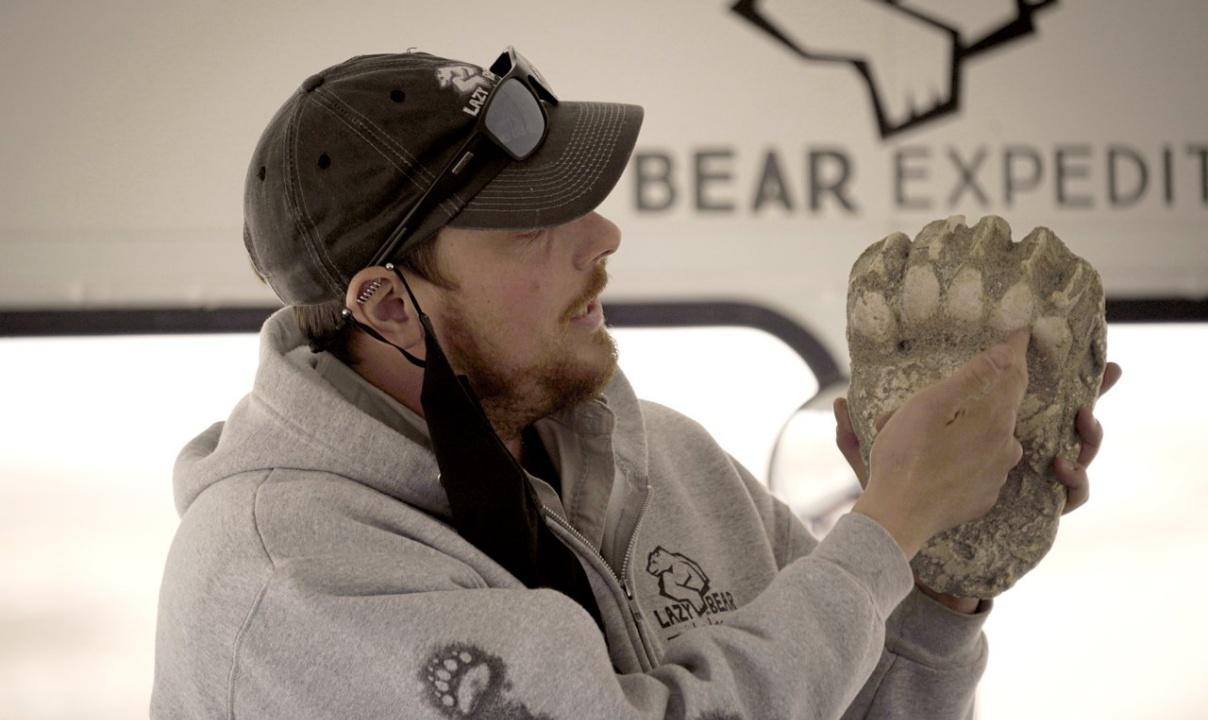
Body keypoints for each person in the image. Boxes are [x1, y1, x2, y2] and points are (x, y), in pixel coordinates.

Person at [151, 47, 1121, 719]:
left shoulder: (677, 463)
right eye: (531, 224)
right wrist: (885, 528)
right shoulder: (284, 583)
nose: (602, 236)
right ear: (390, 306)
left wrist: (940, 584)